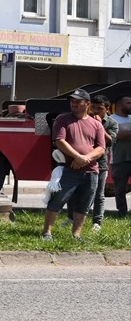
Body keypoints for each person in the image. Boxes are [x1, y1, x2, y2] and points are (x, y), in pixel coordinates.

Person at [42, 88, 106, 241]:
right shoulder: (62, 119)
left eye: (78, 101)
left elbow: (101, 148)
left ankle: (76, 234)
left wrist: (85, 159)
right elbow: (60, 141)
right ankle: (47, 233)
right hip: (68, 169)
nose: (74, 104)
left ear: (87, 104)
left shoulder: (96, 124)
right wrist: (77, 157)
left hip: (90, 172)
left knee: (83, 205)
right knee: (57, 200)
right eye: (72, 101)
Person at [68, 95, 116, 232]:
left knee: (98, 195)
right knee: (73, 192)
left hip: (100, 164)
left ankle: (97, 222)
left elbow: (111, 141)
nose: (95, 111)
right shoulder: (83, 120)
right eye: (93, 107)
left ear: (107, 109)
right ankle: (71, 218)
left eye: (99, 108)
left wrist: (99, 125)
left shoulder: (111, 123)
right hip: (81, 162)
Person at [109, 94, 131, 218]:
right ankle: (122, 214)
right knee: (120, 190)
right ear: (119, 106)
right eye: (128, 103)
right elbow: (116, 136)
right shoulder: (111, 120)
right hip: (119, 160)